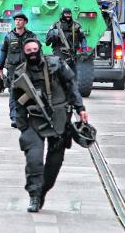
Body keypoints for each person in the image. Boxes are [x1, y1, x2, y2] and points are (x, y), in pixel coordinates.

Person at [12, 38, 88, 213]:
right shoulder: (20, 73)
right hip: (35, 120)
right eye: (28, 50)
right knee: (34, 160)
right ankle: (34, 195)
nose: (32, 52)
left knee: (54, 164)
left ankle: (42, 191)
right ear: (24, 53)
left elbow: (71, 85)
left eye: (35, 49)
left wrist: (80, 108)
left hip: (59, 119)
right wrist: (22, 126)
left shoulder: (55, 64)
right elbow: (17, 100)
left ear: (40, 49)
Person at [0, 13, 36, 128]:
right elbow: (3, 53)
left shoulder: (31, 36)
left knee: (28, 94)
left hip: (28, 69)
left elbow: (38, 53)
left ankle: (24, 116)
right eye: (16, 20)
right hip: (13, 70)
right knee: (13, 94)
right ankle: (14, 117)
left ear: (25, 22)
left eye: (20, 20)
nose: (17, 22)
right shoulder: (9, 37)